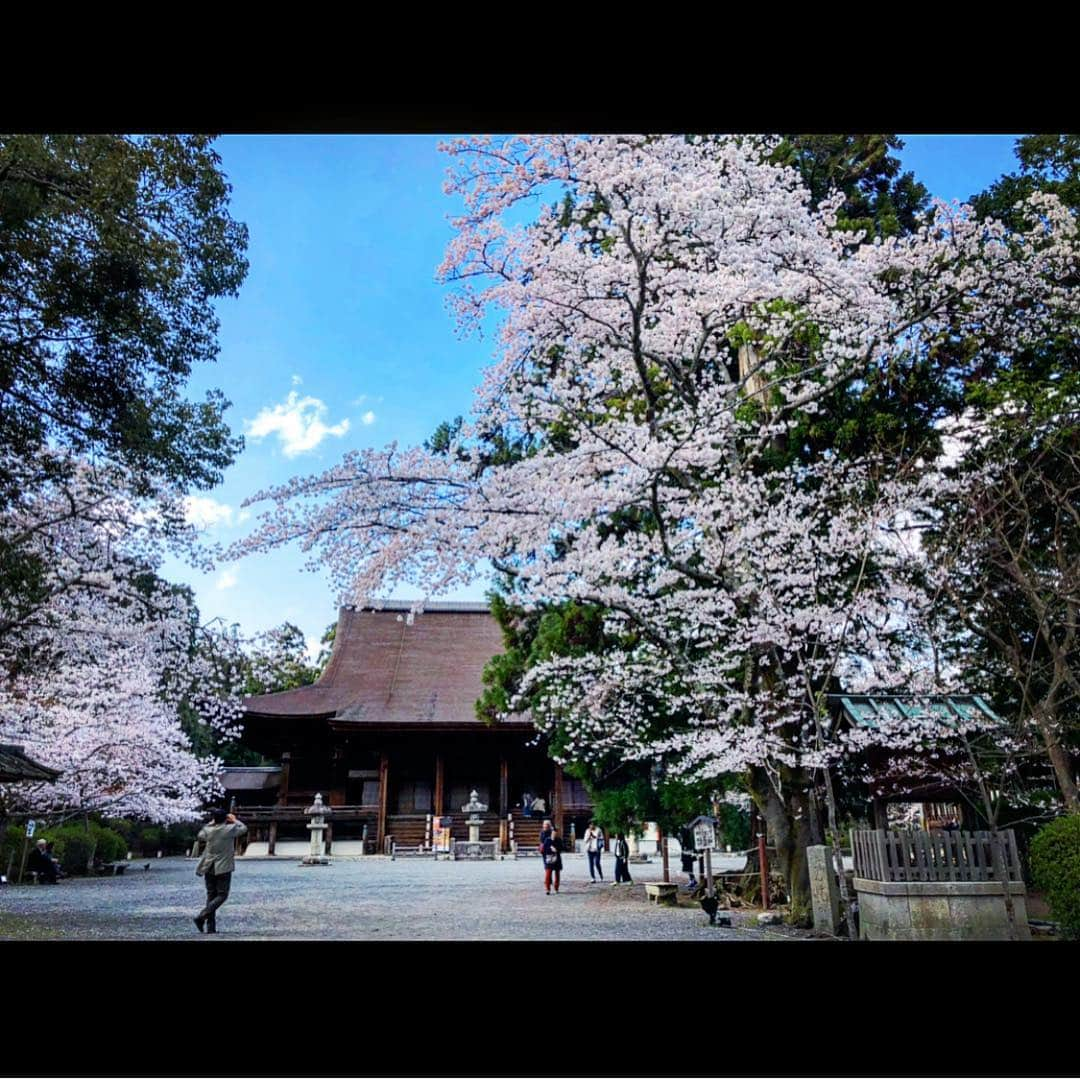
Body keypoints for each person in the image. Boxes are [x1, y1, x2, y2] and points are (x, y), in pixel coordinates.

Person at [194, 808, 247, 934]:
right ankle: (202, 916)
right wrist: (234, 820)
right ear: (225, 819)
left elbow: (200, 835)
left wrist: (211, 823)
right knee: (222, 895)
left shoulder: (208, 830)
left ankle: (210, 928)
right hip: (223, 866)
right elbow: (244, 828)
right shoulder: (229, 829)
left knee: (211, 895)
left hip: (209, 865)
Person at [542, 825, 564, 895]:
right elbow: (544, 850)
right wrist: (550, 850)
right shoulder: (547, 840)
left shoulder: (559, 840)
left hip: (557, 858)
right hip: (549, 858)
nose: (554, 834)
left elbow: (562, 848)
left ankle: (556, 887)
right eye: (553, 832)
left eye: (555, 833)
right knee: (548, 873)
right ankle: (547, 889)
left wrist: (556, 850)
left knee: (557, 874)